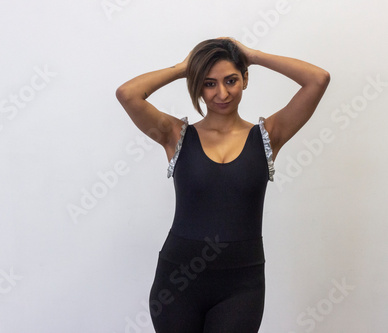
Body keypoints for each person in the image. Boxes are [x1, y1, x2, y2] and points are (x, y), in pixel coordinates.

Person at [115, 37, 330, 332]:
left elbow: (318, 79)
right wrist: (184, 67)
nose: (222, 93)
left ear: (244, 79)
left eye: (231, 80)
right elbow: (128, 94)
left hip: (241, 286)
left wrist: (252, 55)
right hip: (177, 282)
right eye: (209, 83)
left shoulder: (269, 135)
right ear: (197, 86)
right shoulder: (175, 135)